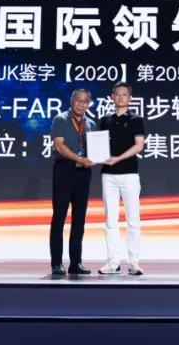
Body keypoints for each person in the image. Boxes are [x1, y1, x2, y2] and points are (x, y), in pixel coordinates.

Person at [97, 82, 146, 276]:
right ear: (112, 97)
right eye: (117, 94)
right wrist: (98, 157)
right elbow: (98, 145)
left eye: (124, 95)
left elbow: (139, 145)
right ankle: (113, 262)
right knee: (110, 220)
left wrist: (118, 158)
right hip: (108, 175)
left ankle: (134, 263)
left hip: (129, 174)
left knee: (133, 220)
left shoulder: (136, 119)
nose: (120, 97)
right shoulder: (105, 120)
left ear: (130, 98)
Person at [48, 88, 96, 276]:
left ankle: (76, 263)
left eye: (85, 101)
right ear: (71, 101)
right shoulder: (60, 119)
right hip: (64, 170)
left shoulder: (91, 124)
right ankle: (56, 263)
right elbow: (59, 145)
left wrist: (98, 157)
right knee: (59, 216)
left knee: (79, 219)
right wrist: (79, 158)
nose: (81, 104)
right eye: (78, 100)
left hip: (83, 173)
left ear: (88, 104)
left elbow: (95, 148)